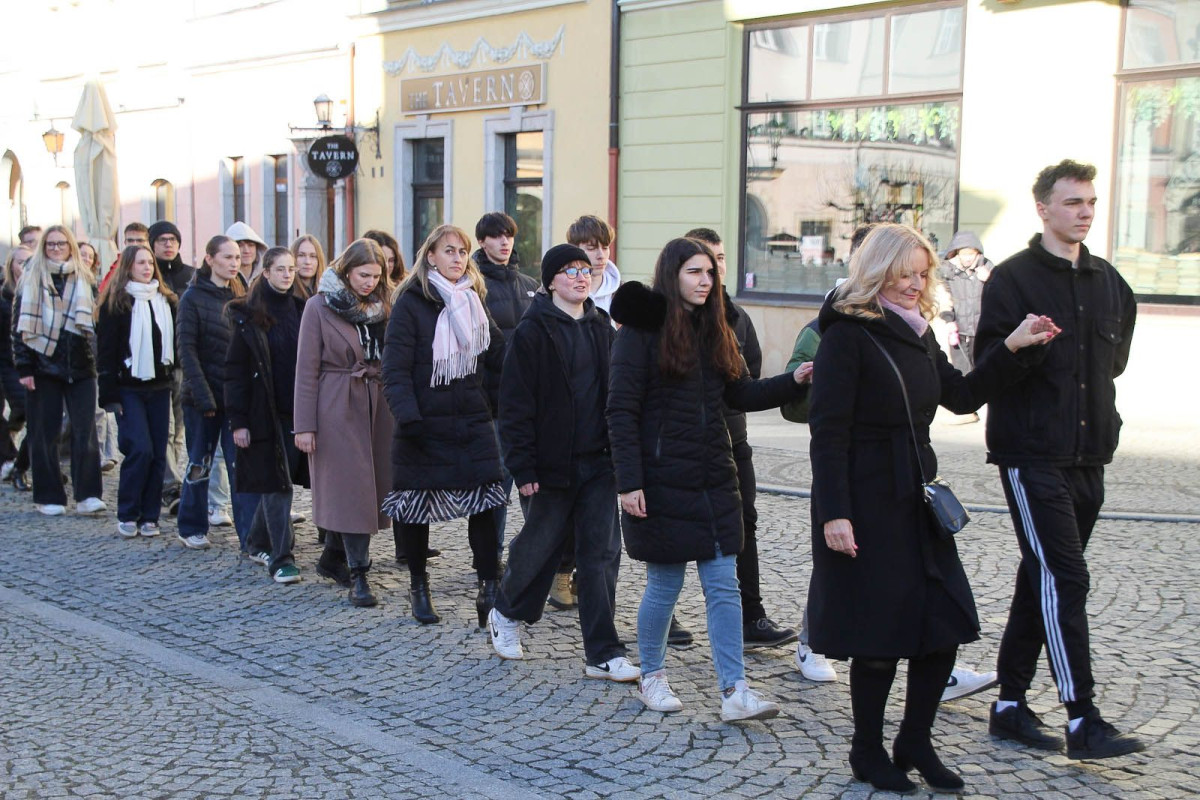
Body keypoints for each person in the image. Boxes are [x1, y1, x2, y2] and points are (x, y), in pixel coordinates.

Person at [807, 223, 1058, 793]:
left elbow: (962, 395)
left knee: (941, 627)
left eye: (923, 274)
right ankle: (866, 750)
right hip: (866, 501)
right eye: (904, 274)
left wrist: (1013, 347)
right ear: (877, 273)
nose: (915, 284)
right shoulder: (848, 336)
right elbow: (828, 432)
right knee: (877, 639)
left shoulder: (918, 332)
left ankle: (915, 738)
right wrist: (834, 512)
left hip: (916, 497)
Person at [978, 160, 1145, 761]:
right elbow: (988, 366)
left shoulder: (1107, 281)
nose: (1085, 211)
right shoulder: (1013, 280)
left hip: (1089, 453)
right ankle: (1082, 718)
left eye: (1091, 202)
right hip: (1031, 455)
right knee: (1065, 577)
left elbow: (1113, 361)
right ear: (1044, 208)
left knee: (1041, 574)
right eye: (1073, 202)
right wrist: (1023, 348)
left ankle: (1009, 705)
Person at [607, 237, 809, 721]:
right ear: (672, 273)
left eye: (710, 273)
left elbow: (740, 393)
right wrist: (629, 482)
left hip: (715, 475)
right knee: (664, 587)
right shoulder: (641, 332)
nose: (705, 280)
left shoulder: (720, 327)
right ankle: (652, 676)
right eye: (695, 272)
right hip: (660, 479)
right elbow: (620, 410)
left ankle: (734, 690)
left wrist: (794, 380)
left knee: (724, 586)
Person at [488, 244, 635, 680]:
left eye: (585, 270)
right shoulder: (532, 332)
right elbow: (514, 406)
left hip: (599, 464)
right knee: (541, 547)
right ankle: (506, 613)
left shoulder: (601, 327)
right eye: (569, 271)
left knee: (602, 555)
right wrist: (523, 467)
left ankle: (603, 652)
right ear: (551, 280)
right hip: (551, 466)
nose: (580, 277)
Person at [382, 224, 506, 626]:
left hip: (472, 420)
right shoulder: (410, 303)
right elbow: (395, 369)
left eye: (463, 252)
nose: (457, 258)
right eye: (448, 251)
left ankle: (489, 588)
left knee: (485, 504)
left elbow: (498, 356)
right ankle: (419, 584)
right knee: (417, 508)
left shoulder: (473, 301)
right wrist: (409, 417)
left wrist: (496, 403)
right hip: (423, 421)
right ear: (430, 256)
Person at [684, 227, 797, 650]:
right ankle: (669, 618)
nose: (714, 270)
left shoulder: (737, 318)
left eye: (720, 259)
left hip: (734, 444)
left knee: (743, 526)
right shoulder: (667, 321)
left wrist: (793, 382)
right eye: (703, 262)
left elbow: (747, 383)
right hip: (685, 448)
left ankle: (752, 617)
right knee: (677, 536)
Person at [295, 238, 394, 606]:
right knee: (350, 489)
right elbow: (306, 369)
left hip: (378, 404)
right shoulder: (318, 307)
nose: (369, 282)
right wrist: (304, 425)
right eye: (363, 275)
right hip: (336, 402)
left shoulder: (385, 305)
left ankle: (332, 556)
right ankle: (359, 573)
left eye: (375, 276)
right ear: (347, 270)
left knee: (370, 488)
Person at [11, 225, 105, 516]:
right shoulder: (30, 277)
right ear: (43, 248)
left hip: (81, 365)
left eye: (61, 243)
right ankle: (49, 494)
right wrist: (24, 367)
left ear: (70, 247)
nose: (55, 248)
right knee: (43, 432)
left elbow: (95, 324)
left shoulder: (86, 279)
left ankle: (88, 494)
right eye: (50, 244)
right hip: (41, 364)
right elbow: (18, 328)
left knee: (84, 431)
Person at [226, 247, 306, 584]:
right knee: (277, 484)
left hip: (297, 408)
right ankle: (280, 556)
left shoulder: (304, 308)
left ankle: (256, 540)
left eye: (291, 269)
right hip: (263, 412)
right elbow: (235, 372)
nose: (288, 274)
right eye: (281, 269)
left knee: (280, 481)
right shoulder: (248, 313)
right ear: (266, 272)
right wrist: (239, 421)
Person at [95, 244, 177, 538]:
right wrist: (109, 396)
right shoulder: (116, 303)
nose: (147, 268)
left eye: (150, 263)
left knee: (157, 451)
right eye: (140, 263)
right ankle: (128, 511)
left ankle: (150, 516)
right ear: (128, 266)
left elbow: (174, 346)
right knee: (139, 449)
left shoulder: (165, 300)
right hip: (128, 387)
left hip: (160, 386)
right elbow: (105, 353)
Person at [175, 235, 251, 550]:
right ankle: (191, 524)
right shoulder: (192, 297)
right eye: (228, 257)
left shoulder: (242, 294)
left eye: (237, 257)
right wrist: (204, 397)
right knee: (200, 462)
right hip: (201, 399)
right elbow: (187, 351)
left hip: (233, 397)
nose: (234, 263)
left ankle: (249, 534)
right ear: (210, 259)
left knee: (240, 466)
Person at [472, 212, 539, 557]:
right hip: (492, 402)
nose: (504, 242)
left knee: (534, 484)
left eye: (508, 235)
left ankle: (536, 554)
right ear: (482, 241)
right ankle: (489, 558)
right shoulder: (472, 285)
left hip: (529, 404)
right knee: (496, 484)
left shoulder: (529, 284)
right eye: (496, 236)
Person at [937, 230, 994, 424]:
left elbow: (1000, 295)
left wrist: (990, 280)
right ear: (956, 254)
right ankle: (968, 410)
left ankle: (986, 406)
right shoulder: (948, 271)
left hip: (981, 327)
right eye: (964, 254)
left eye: (972, 254)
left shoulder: (988, 269)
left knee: (982, 365)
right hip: (958, 326)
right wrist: (948, 318)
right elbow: (943, 295)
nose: (968, 258)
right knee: (960, 367)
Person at [81, 241, 120, 472]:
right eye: (82, 255)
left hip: (95, 353)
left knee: (99, 411)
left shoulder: (98, 286)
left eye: (90, 256)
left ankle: (105, 453)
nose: (86, 259)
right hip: (82, 355)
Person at [1, 246, 33, 490]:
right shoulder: (4, 297)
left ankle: (21, 465)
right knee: (25, 408)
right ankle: (13, 459)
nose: (24, 266)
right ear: (11, 265)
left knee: (36, 416)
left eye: (28, 261)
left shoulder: (38, 292)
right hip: (8, 364)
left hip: (33, 363)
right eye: (20, 262)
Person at [567, 215, 621, 315]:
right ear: (574, 250)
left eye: (605, 248)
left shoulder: (623, 294)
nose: (601, 255)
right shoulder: (558, 293)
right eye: (591, 248)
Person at [99, 222, 152, 293]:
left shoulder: (153, 264)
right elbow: (104, 291)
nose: (134, 244)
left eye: (140, 240)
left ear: (147, 242)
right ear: (125, 242)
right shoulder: (117, 266)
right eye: (130, 240)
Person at [225, 221, 267, 288]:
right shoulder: (224, 280)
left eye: (251, 245)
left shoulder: (266, 279)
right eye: (240, 245)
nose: (246, 251)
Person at [291, 234, 327, 300]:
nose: (307, 262)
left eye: (313, 256)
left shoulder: (328, 293)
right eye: (301, 255)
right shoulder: (286, 293)